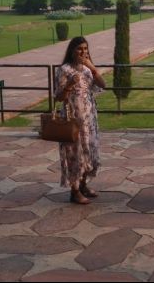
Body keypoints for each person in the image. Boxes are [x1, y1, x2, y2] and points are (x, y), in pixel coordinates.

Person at [54, 37, 106, 205]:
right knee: (75, 153)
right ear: (72, 51)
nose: (83, 52)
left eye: (85, 49)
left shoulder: (87, 69)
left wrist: (93, 68)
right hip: (73, 118)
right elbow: (59, 97)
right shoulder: (64, 69)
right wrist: (69, 85)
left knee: (89, 151)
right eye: (79, 49)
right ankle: (74, 191)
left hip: (89, 117)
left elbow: (103, 85)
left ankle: (83, 185)